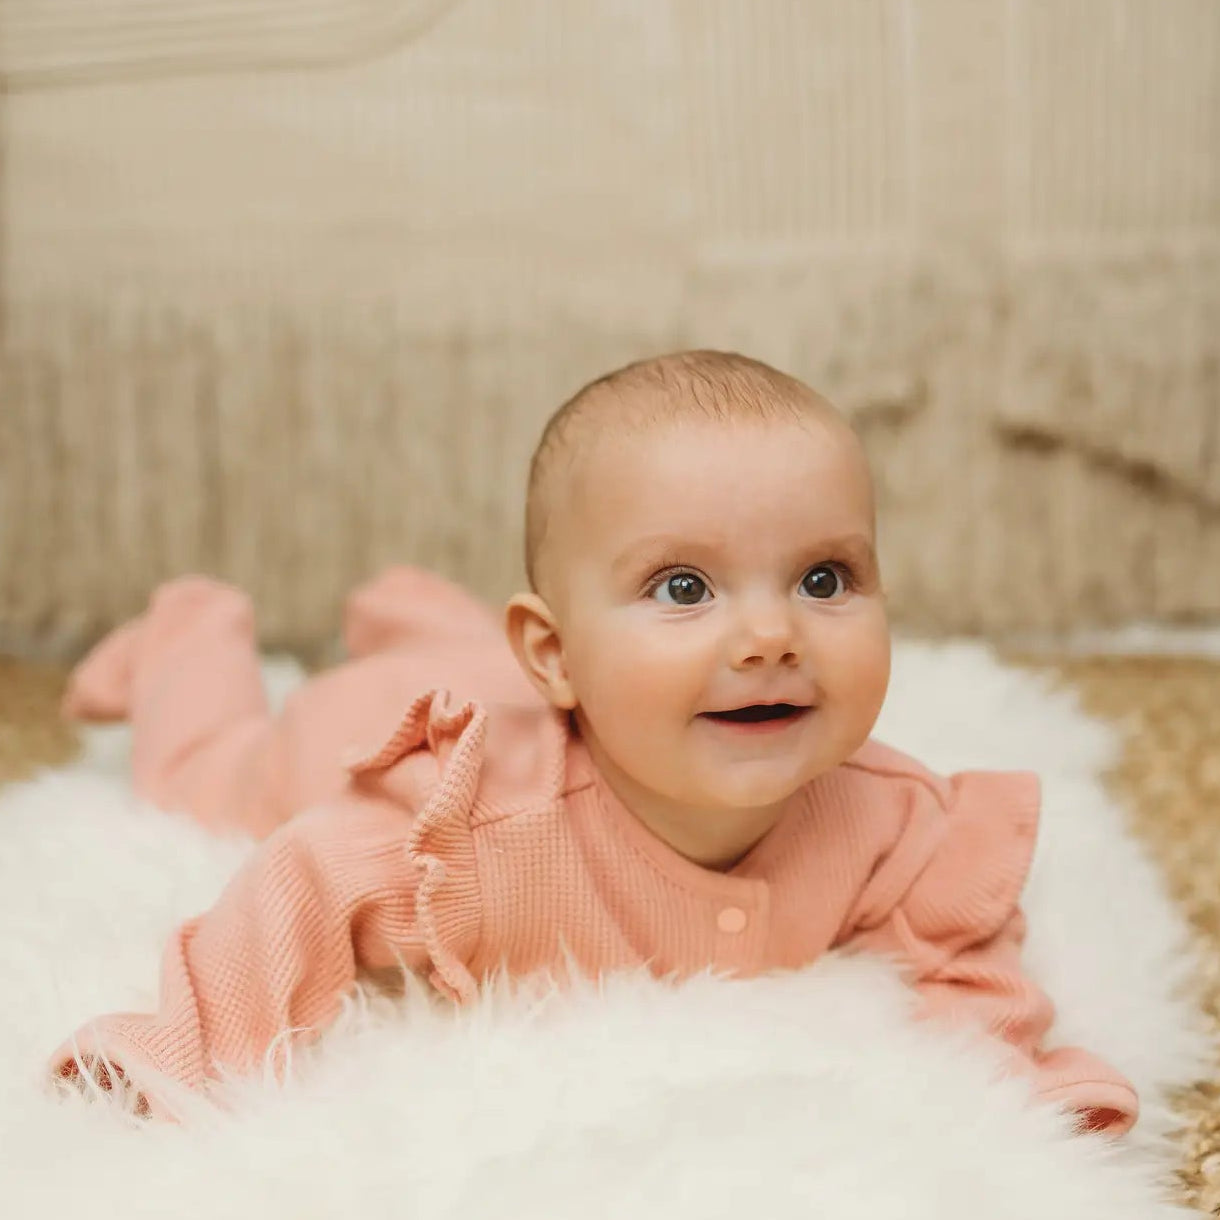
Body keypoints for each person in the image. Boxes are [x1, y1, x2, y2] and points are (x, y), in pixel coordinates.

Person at [49, 350, 1138, 1135]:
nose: (770, 636)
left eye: (823, 578)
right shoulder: (468, 830)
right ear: (555, 653)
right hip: (358, 726)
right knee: (204, 775)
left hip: (524, 674)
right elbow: (298, 883)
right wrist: (184, 1049)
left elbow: (962, 953)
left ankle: (423, 613)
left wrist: (1006, 1092)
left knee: (492, 657)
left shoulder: (888, 819)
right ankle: (188, 632)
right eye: (683, 585)